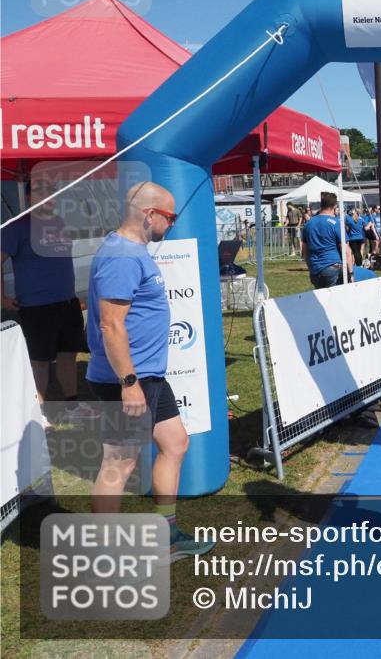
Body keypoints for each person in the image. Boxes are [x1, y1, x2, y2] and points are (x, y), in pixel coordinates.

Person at [87, 181, 214, 561]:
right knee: (119, 463)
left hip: (149, 377)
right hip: (129, 379)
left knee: (175, 443)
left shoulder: (133, 251)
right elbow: (111, 325)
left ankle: (167, 536)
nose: (172, 223)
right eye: (170, 216)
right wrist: (129, 384)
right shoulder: (122, 256)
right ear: (149, 213)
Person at [1, 181, 97, 427]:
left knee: (68, 356)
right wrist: (1, 297)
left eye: (51, 193)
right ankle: (39, 413)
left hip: (67, 302)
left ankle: (71, 406)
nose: (47, 197)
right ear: (29, 195)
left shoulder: (59, 223)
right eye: (41, 192)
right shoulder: (17, 228)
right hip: (36, 307)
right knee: (39, 361)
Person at [301, 192, 352, 288]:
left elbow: (305, 251)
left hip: (315, 269)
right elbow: (346, 251)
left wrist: (311, 267)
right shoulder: (336, 223)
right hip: (332, 267)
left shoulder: (309, 223)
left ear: (321, 205)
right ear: (335, 206)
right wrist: (351, 273)